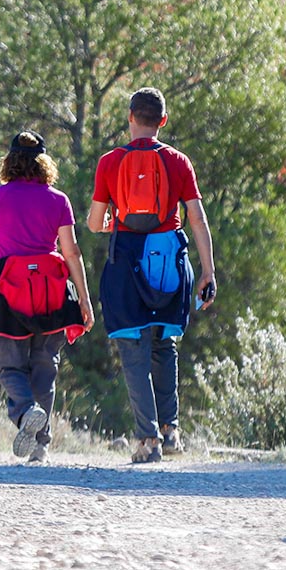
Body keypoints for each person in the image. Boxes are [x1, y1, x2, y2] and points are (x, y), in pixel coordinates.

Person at [87, 88, 217, 463]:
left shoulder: (110, 162)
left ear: (130, 116)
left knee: (133, 350)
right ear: (162, 120)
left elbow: (95, 223)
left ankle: (147, 442)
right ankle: (170, 431)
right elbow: (197, 218)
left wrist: (115, 220)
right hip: (168, 261)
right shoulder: (178, 161)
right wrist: (208, 271)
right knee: (164, 345)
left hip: (126, 260)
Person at [0, 131, 95, 463]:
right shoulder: (58, 200)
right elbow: (71, 252)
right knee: (45, 364)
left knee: (11, 363)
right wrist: (84, 299)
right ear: (44, 163)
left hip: (11, 288)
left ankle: (27, 412)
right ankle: (40, 445)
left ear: (9, 161)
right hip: (51, 289)